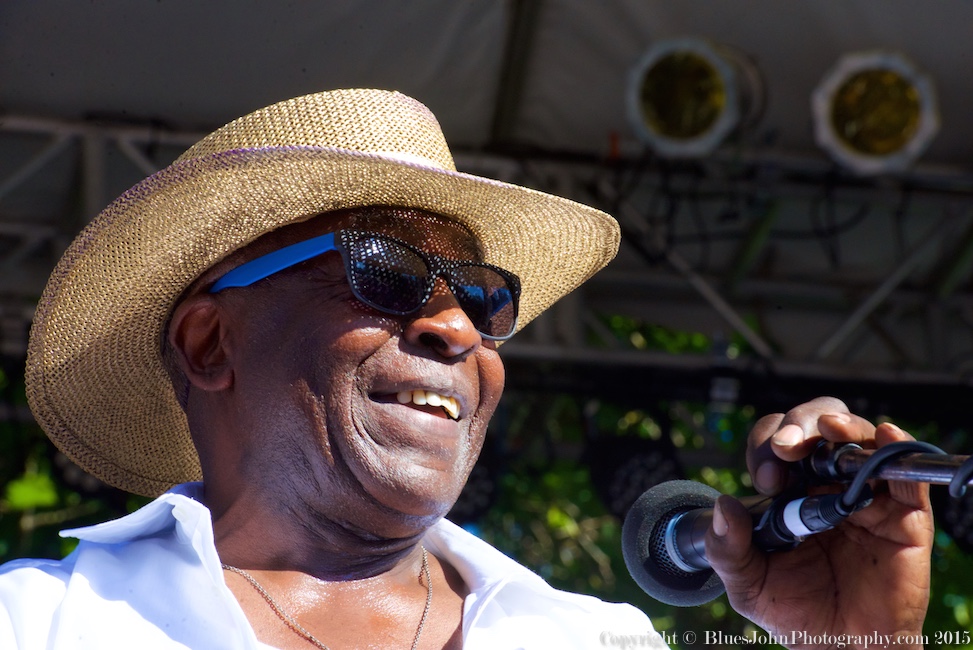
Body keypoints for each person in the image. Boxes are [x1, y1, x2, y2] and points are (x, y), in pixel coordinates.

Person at [1, 89, 931, 649]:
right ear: (210, 344)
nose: (456, 325)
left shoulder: (591, 638)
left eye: (484, 298)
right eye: (386, 273)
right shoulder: (38, 625)